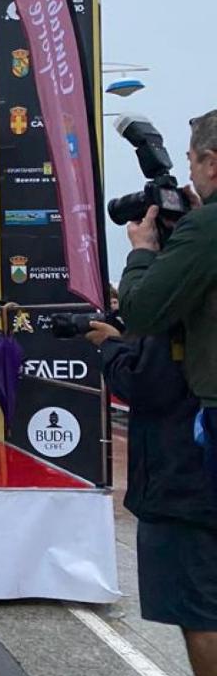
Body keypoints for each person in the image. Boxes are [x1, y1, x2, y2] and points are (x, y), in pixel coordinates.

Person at [87, 320, 217, 676]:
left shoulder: (180, 298)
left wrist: (111, 347)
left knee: (200, 612)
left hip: (185, 480)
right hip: (196, 474)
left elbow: (146, 384)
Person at [119, 110, 217, 487]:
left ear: (211, 163)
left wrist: (143, 251)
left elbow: (140, 311)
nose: (189, 174)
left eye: (192, 161)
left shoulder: (207, 228)